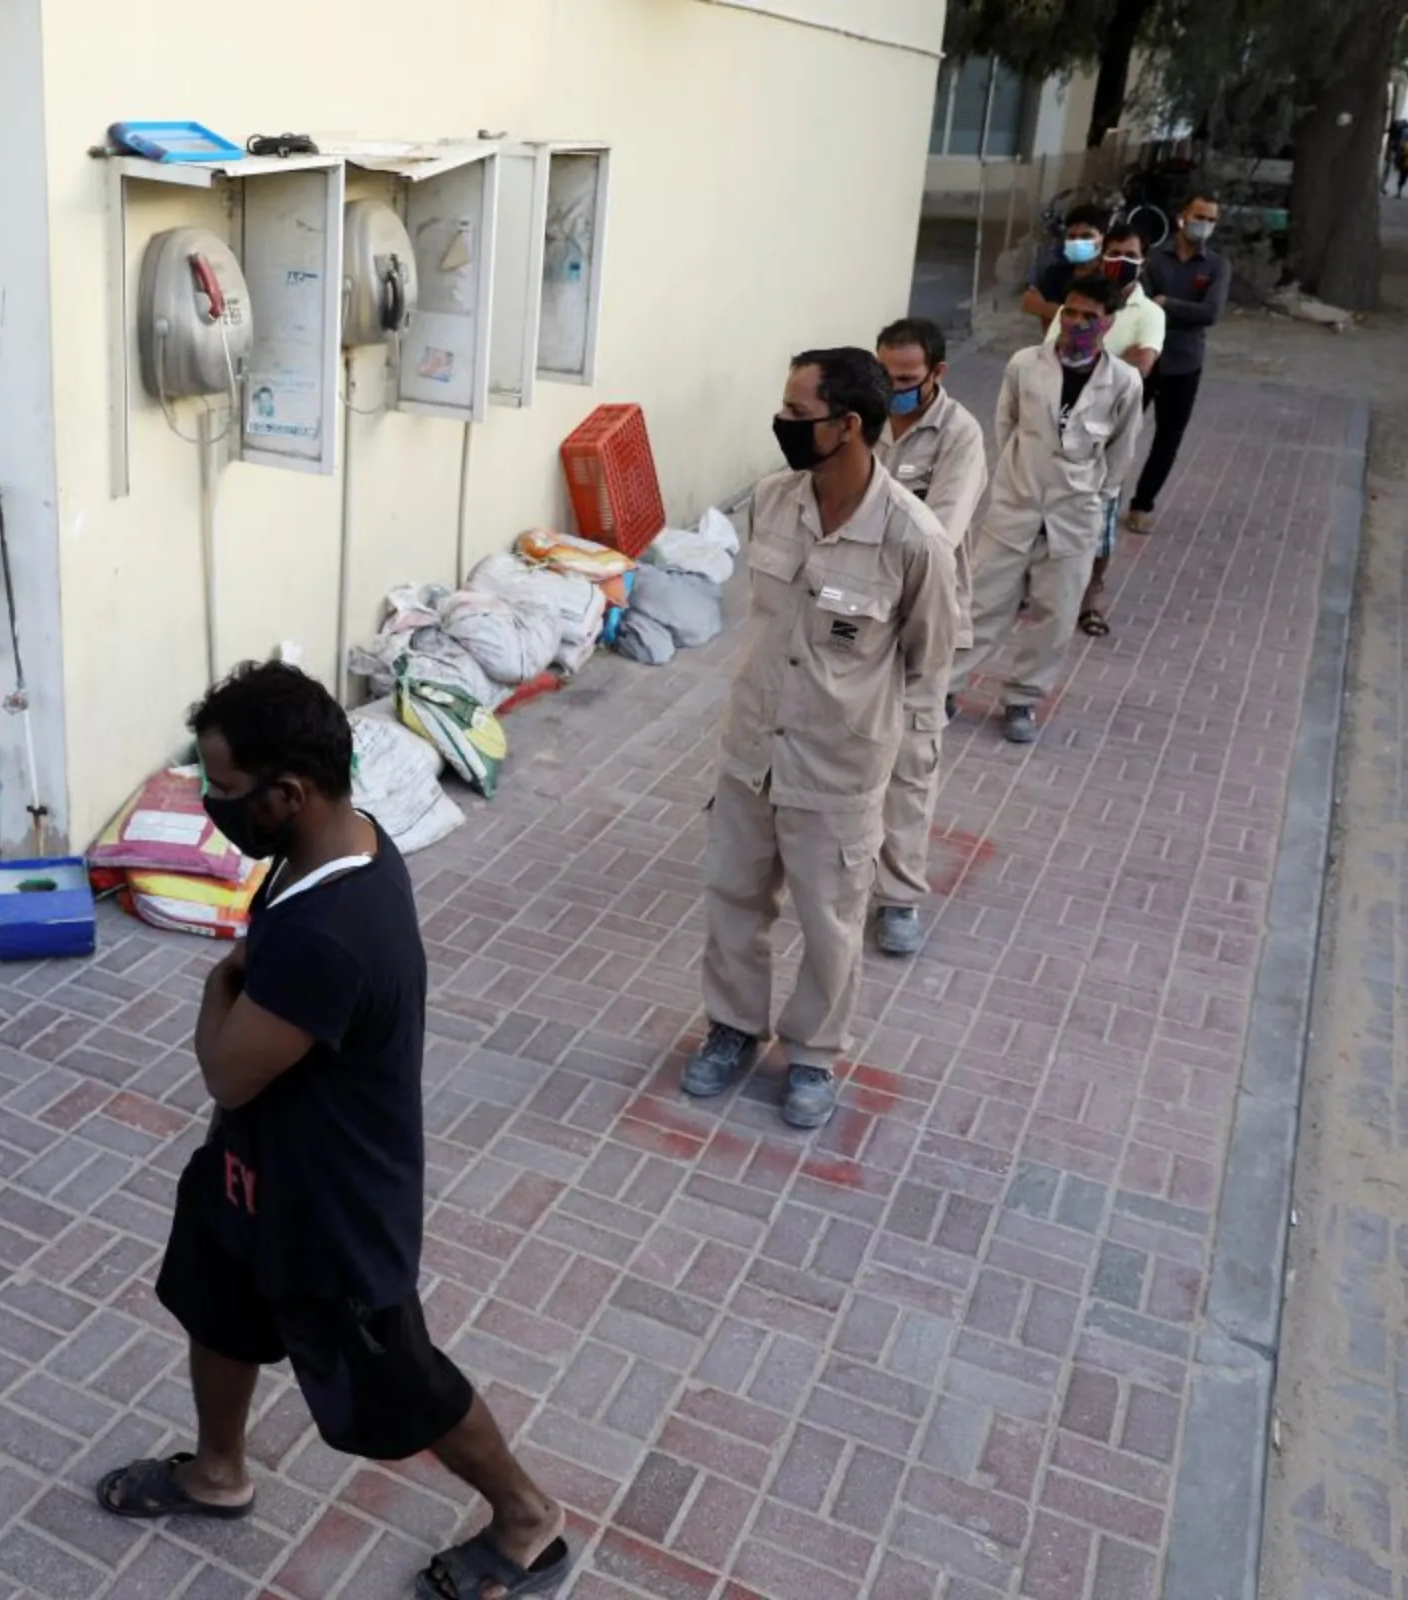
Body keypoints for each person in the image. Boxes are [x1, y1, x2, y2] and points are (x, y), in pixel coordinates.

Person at [95, 662, 571, 1600]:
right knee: (217, 1307)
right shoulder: (334, 846)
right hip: (252, 1173)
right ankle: (218, 1473)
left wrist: (219, 986)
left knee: (399, 1380)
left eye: (224, 791)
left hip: (333, 1207)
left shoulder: (332, 930)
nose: (211, 804)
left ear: (288, 792)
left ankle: (528, 1518)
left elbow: (227, 1066)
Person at [681, 351, 958, 1129]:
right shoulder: (773, 502)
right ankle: (732, 1028)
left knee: (831, 920)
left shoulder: (913, 539)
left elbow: (929, 662)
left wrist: (902, 782)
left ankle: (812, 1055)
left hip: (838, 767)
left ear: (850, 427)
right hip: (752, 751)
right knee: (734, 898)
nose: (784, 429)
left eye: (798, 417)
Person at [957, 275, 1145, 746]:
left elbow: (1121, 454)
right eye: (1072, 312)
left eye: (1090, 317)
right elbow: (1006, 424)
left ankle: (1022, 698)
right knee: (981, 604)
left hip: (1075, 516)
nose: (1078, 323)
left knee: (1056, 614)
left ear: (1109, 322)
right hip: (1015, 505)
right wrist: (1016, 480)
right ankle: (944, 686)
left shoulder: (1123, 382)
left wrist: (1096, 501)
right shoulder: (1025, 364)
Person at [870, 318, 987, 960]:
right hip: (855, 614)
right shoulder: (862, 416)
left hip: (923, 617)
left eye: (907, 380)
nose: (893, 389)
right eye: (885, 375)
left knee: (912, 760)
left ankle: (898, 899)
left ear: (937, 374)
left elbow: (936, 536)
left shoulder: (961, 437)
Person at [1061, 221, 1165, 638]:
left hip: (1111, 425)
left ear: (1143, 261)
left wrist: (1092, 352)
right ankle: (1041, 588)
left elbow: (1141, 366)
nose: (1121, 261)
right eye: (1114, 252)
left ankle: (1089, 601)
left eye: (1131, 255)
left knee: (1101, 522)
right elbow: (1057, 348)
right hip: (1064, 416)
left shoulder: (1150, 313)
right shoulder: (1077, 300)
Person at [1128, 194, 1232, 534]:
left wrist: (1166, 302)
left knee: (1168, 439)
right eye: (1198, 216)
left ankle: (1143, 504)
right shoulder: (1155, 261)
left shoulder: (1216, 266)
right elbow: (1141, 305)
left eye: (1211, 219)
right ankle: (1104, 495)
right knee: (1122, 431)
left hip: (1185, 365)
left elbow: (1210, 313)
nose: (1204, 224)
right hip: (1145, 360)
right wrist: (1174, 308)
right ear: (1181, 218)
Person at [1021, 206, 1108, 331]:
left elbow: (1103, 325)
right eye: (1072, 237)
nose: (1078, 242)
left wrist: (1045, 308)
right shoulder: (1055, 274)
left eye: (1086, 236)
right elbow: (1033, 307)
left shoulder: (1109, 276)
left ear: (1102, 239)